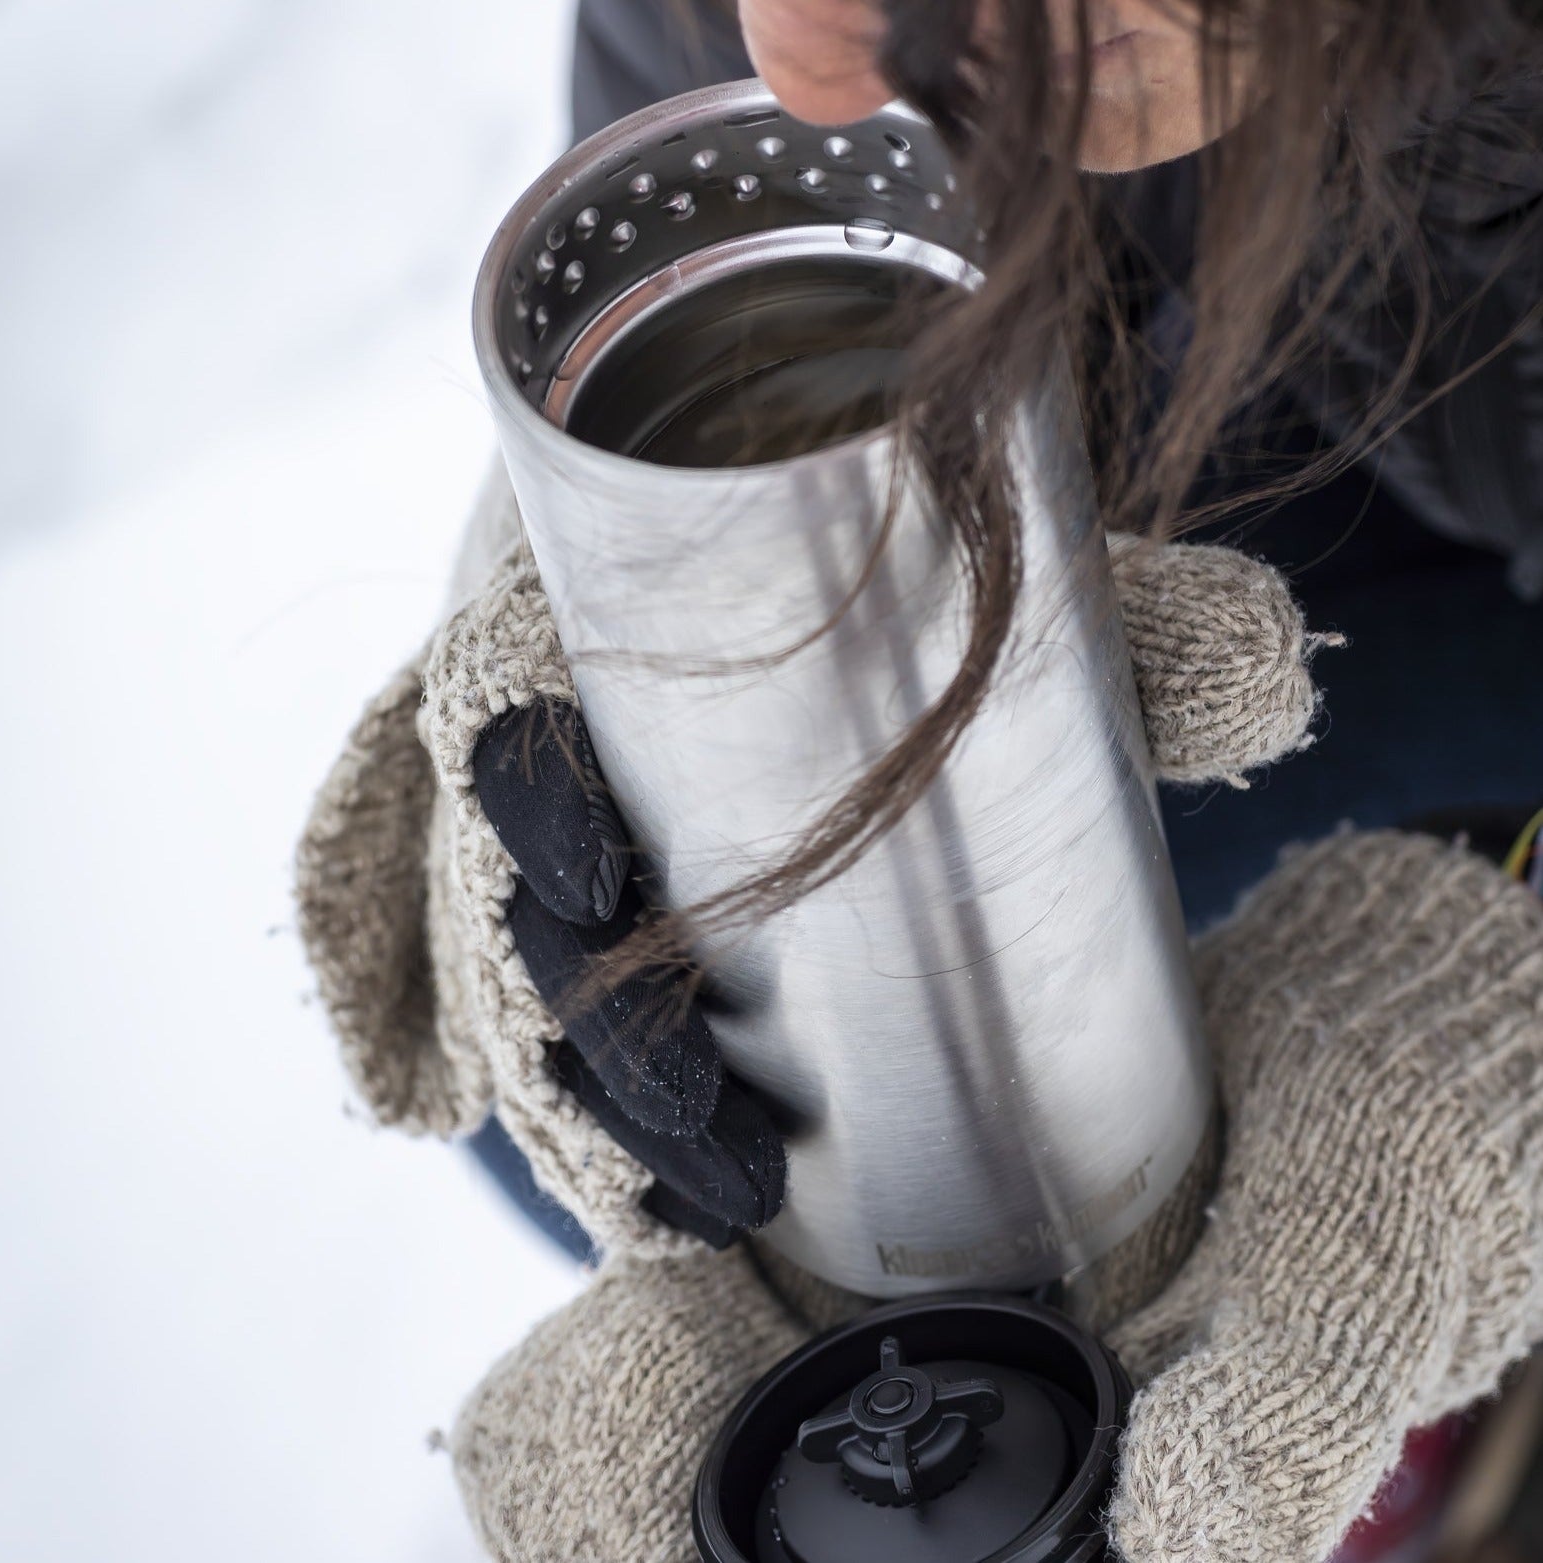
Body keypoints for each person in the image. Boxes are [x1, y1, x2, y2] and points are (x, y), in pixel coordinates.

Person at [295, 3, 1543, 1559]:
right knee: (599, 1082)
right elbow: (691, 307)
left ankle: (1437, 1412)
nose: (815, 74)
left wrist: (1498, 982)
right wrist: (583, 630)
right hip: (1295, 384)